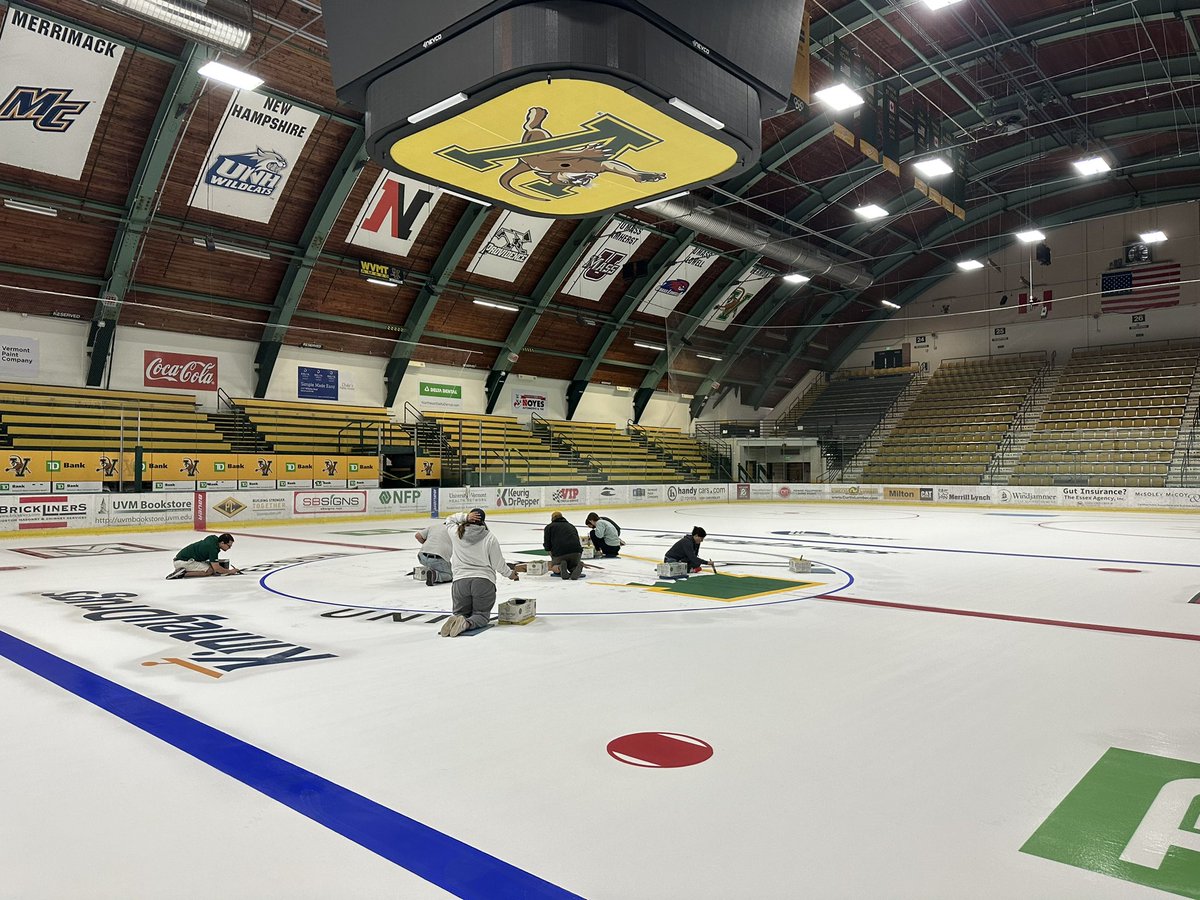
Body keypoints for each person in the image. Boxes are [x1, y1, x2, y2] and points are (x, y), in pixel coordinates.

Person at [439, 508, 519, 638]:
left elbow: (449, 520)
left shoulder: (456, 533)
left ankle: (457, 618)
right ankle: (466, 624)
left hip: (460, 582)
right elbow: (498, 563)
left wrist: (465, 517)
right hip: (483, 581)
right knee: (481, 615)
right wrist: (510, 574)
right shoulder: (490, 537)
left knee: (461, 612)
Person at [166, 532, 242, 579]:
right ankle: (182, 574)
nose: (230, 548)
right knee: (209, 571)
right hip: (183, 562)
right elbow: (216, 569)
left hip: (181, 559)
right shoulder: (213, 549)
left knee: (213, 565)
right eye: (229, 546)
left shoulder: (213, 539)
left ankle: (182, 570)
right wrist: (230, 571)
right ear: (222, 543)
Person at [543, 511, 584, 580]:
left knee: (553, 566)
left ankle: (559, 567)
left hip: (560, 553)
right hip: (576, 553)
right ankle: (576, 568)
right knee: (572, 565)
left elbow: (547, 544)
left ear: (552, 518)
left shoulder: (549, 527)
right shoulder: (571, 525)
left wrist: (550, 552)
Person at [414, 518, 453, 585]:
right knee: (449, 575)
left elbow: (417, 535)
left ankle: (431, 569)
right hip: (438, 558)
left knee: (435, 564)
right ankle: (435, 576)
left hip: (422, 557)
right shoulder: (453, 531)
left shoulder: (434, 526)